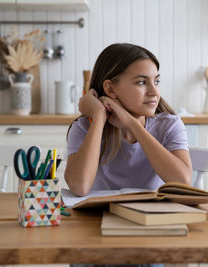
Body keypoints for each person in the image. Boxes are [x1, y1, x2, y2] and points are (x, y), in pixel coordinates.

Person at [65, 44, 192, 267]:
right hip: (94, 234)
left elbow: (182, 181)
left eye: (157, 81)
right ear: (110, 89)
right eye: (142, 82)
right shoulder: (84, 128)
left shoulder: (169, 125)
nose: (154, 91)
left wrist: (133, 125)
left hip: (149, 230)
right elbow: (80, 186)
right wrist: (98, 116)